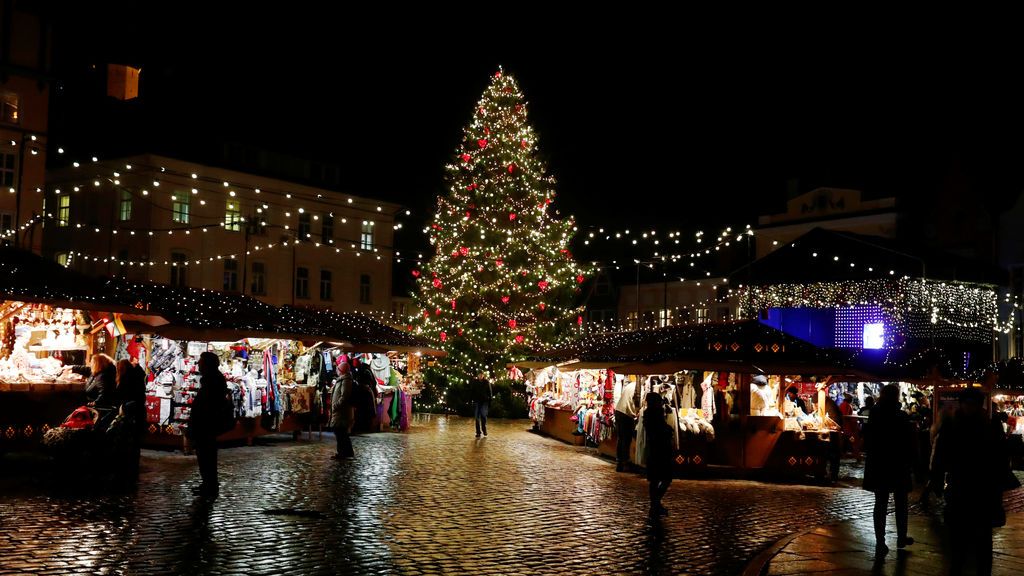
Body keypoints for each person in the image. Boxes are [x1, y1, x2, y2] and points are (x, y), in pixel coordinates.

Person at [933, 387, 1014, 575]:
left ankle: (972, 569)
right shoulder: (982, 424)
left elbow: (1000, 456)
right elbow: (941, 454)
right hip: (967, 486)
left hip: (978, 487)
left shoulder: (984, 424)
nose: (970, 407)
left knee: (978, 538)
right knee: (965, 538)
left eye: (973, 404)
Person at [862, 384, 915, 554]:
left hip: (879, 464)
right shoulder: (901, 416)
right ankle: (901, 536)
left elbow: (868, 439)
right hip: (898, 464)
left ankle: (880, 542)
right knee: (901, 503)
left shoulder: (875, 414)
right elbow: (908, 443)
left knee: (881, 504)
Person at [189, 351, 228, 497]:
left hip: (206, 425)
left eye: (201, 361)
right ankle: (208, 483)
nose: (198, 364)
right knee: (206, 456)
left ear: (207, 364)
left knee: (207, 456)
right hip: (207, 425)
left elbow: (207, 406)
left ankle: (210, 485)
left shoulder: (212, 381)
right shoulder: (212, 379)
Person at [64, 353, 117, 431]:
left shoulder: (102, 377)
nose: (90, 364)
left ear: (97, 364)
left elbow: (104, 394)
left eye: (92, 363)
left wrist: (95, 402)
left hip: (94, 407)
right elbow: (86, 369)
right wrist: (72, 367)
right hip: (89, 401)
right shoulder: (99, 371)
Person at [643, 392, 673, 518]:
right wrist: (667, 430)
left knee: (655, 480)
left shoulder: (648, 414)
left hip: (653, 450)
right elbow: (660, 430)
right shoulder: (655, 414)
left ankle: (655, 504)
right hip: (660, 450)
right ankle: (655, 504)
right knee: (665, 478)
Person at [329, 362, 354, 460]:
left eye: (338, 369)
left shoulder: (346, 380)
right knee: (341, 432)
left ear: (341, 370)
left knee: (340, 432)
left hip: (342, 412)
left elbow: (344, 396)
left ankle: (343, 453)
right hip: (340, 411)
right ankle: (346, 452)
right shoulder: (343, 380)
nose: (336, 370)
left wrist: (336, 405)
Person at [614, 377, 637, 472]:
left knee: (622, 438)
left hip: (620, 410)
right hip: (625, 413)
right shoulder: (638, 386)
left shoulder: (631, 385)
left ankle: (620, 462)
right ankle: (625, 462)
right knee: (626, 439)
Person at [469, 371, 492, 438]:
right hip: (477, 401)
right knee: (477, 417)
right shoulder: (475, 382)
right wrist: (470, 400)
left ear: (483, 375)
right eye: (479, 375)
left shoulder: (486, 382)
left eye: (481, 375)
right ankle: (478, 432)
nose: (480, 376)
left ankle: (484, 429)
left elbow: (490, 392)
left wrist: (489, 401)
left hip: (484, 402)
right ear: (478, 375)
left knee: (483, 416)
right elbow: (472, 391)